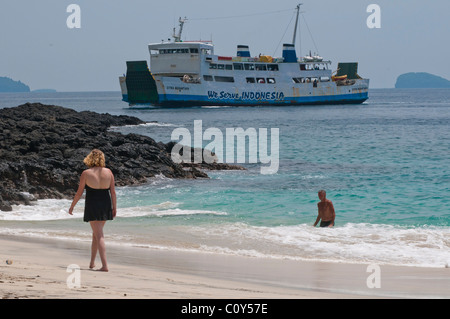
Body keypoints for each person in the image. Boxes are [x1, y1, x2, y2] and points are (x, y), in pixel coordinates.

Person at [68, 149, 117, 272]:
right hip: (106, 204)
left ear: (90, 158)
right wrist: (114, 207)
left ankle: (105, 266)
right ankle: (92, 263)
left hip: (93, 205)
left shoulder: (86, 173)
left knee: (99, 235)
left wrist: (72, 206)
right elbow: (113, 192)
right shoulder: (109, 172)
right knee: (96, 235)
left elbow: (79, 193)